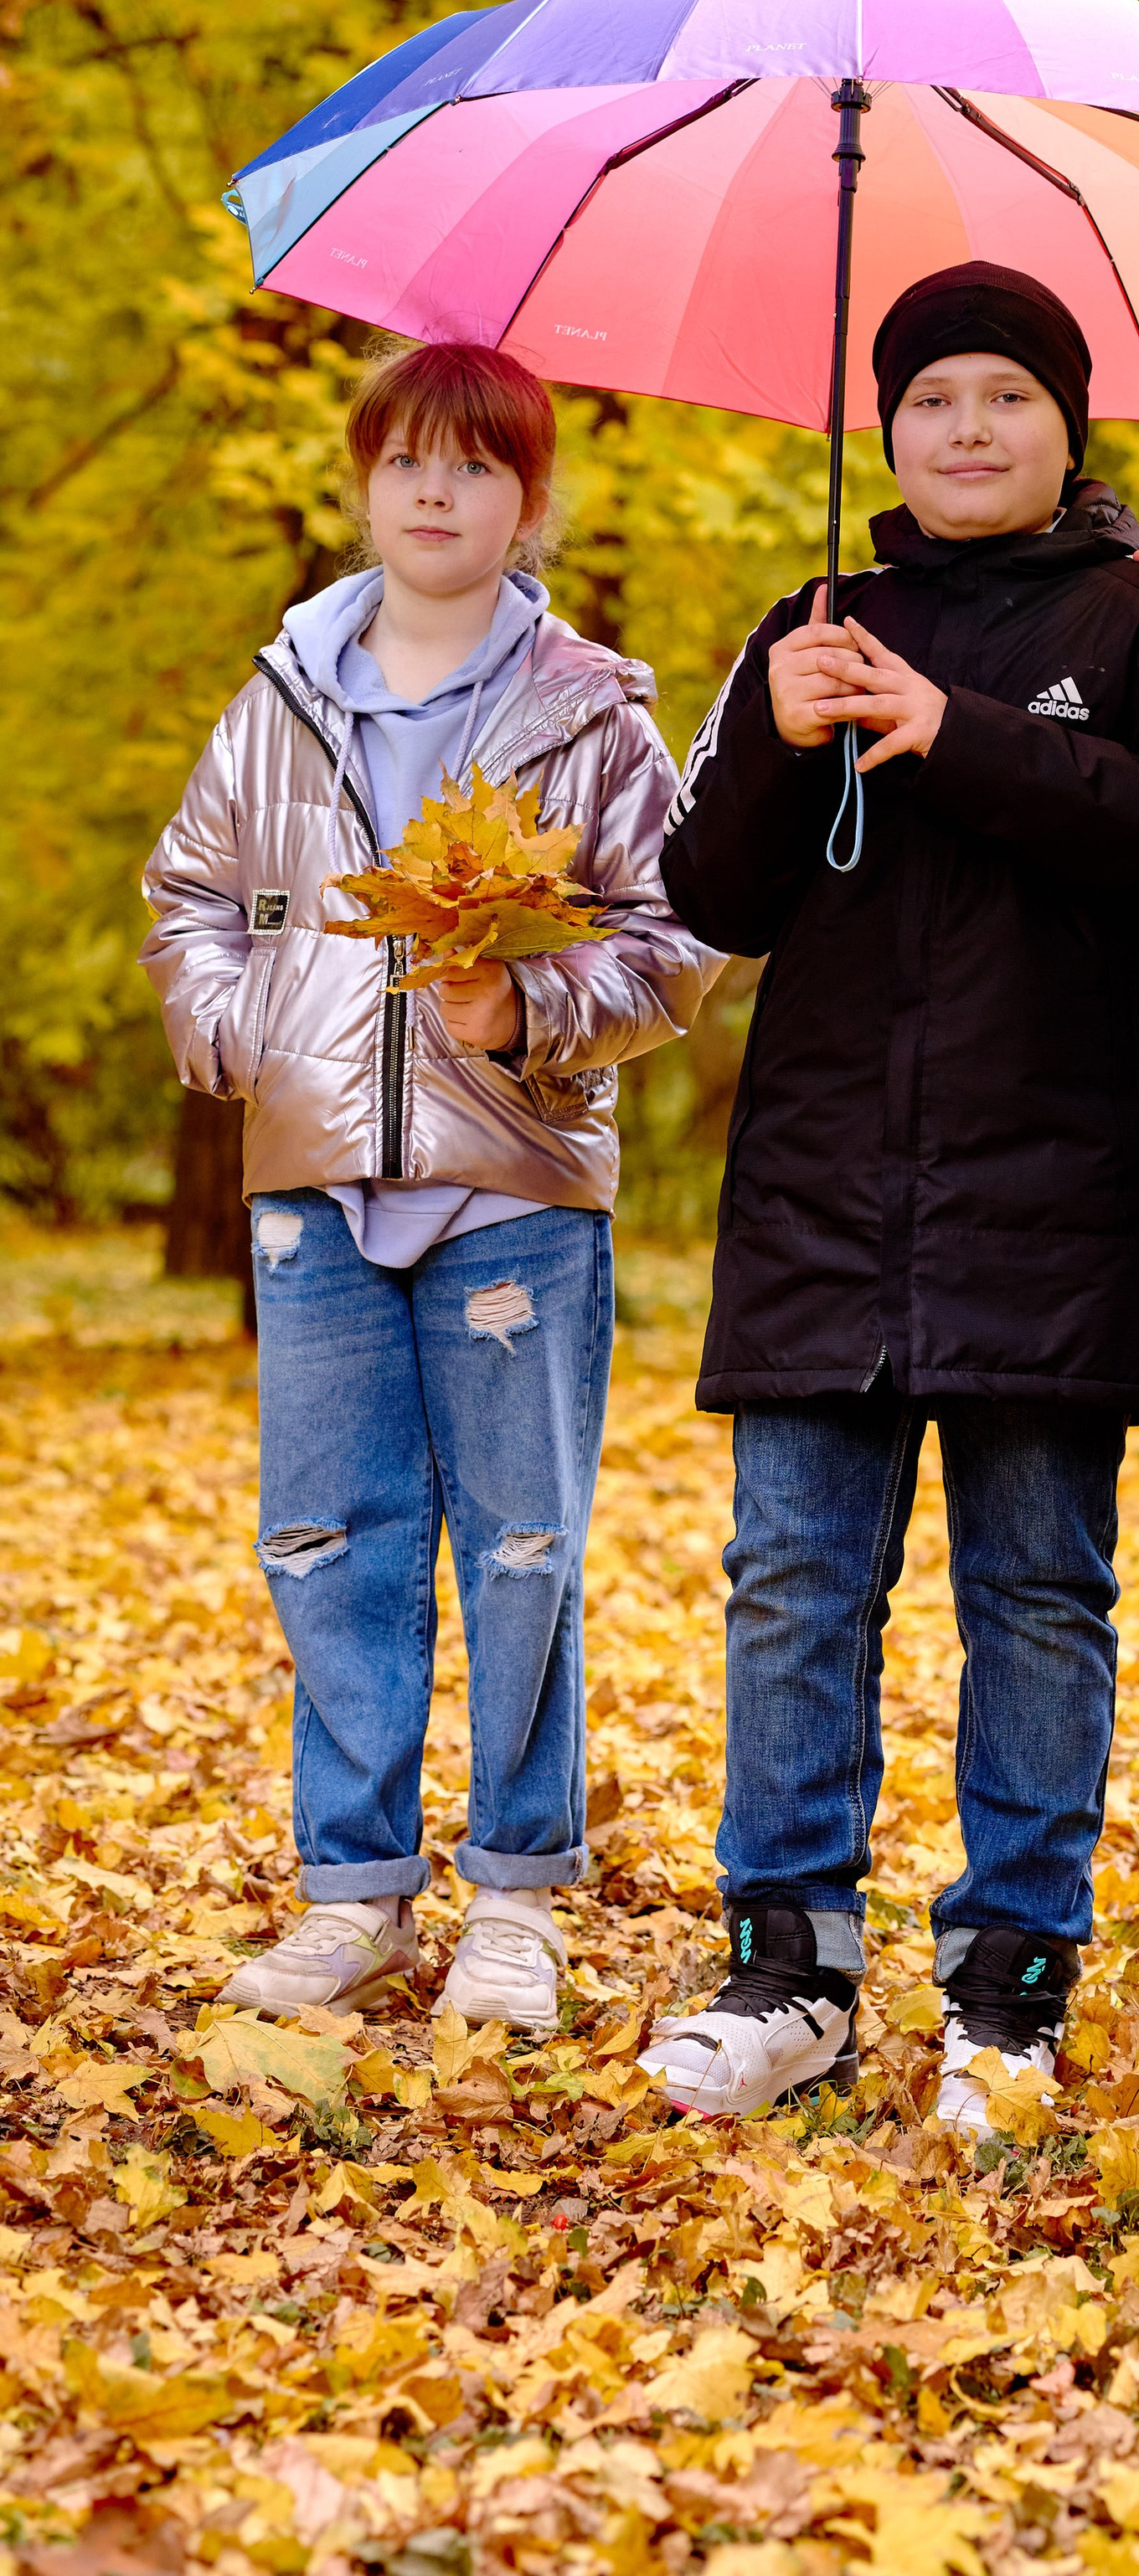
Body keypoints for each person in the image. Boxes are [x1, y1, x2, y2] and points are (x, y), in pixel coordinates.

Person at [642, 260, 1139, 2131]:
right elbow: (711, 896)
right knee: (791, 1589)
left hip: (1058, 1198)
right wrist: (779, 724)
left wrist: (963, 734)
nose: (967, 430)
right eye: (930, 401)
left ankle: (1008, 1994)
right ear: (889, 429)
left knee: (1036, 1595)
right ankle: (788, 1974)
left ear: (1068, 423)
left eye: (1006, 395)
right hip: (827, 1194)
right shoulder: (806, 621)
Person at [142, 341, 717, 2034]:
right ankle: (353, 1889)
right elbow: (199, 891)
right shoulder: (286, 695)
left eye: (474, 467)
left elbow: (673, 938)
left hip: (512, 1186)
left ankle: (518, 1896)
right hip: (319, 1191)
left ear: (528, 503)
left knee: (521, 1544)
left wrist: (534, 1007)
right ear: (364, 484)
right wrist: (243, 1024)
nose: (435, 493)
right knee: (328, 1542)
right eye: (404, 463)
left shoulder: (589, 712)